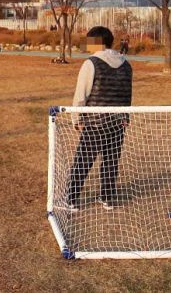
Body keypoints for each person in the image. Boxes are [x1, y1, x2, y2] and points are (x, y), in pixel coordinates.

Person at [67, 26, 132, 211]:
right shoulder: (126, 64)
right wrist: (125, 116)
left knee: (83, 160)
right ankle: (107, 198)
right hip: (117, 122)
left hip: (95, 122)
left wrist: (76, 118)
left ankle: (71, 199)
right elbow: (127, 94)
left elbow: (81, 94)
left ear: (97, 43)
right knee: (111, 161)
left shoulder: (92, 63)